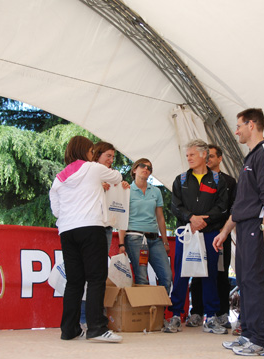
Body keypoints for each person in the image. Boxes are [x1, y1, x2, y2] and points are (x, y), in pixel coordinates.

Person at [214, 108, 264, 356]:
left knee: (255, 282)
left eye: (239, 125)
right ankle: (249, 335)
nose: (236, 131)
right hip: (243, 228)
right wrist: (224, 232)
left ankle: (262, 340)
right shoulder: (250, 158)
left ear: (251, 125)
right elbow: (241, 204)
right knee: (245, 281)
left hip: (256, 226)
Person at [49, 135, 123, 343]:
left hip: (66, 230)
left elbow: (56, 210)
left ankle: (69, 329)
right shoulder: (92, 168)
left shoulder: (59, 178)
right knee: (96, 278)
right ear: (86, 152)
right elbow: (116, 177)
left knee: (74, 282)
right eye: (91, 151)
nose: (93, 154)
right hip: (91, 226)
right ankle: (97, 328)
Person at [166, 139, 229, 335]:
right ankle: (176, 315)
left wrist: (204, 221)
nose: (189, 158)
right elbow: (174, 205)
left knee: (210, 273)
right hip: (186, 234)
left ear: (204, 155)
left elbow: (223, 207)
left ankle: (211, 317)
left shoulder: (219, 180)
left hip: (209, 234)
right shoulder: (181, 179)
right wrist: (191, 219)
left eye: (192, 154)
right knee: (181, 272)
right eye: (187, 155)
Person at [188, 144, 236, 328]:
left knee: (221, 274)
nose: (209, 159)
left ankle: (222, 313)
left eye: (212, 156)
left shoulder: (230, 182)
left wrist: (224, 231)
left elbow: (231, 209)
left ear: (220, 158)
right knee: (197, 274)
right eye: (206, 156)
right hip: (199, 234)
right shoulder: (194, 179)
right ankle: (197, 312)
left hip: (221, 234)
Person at [117, 158, 172, 293]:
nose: (146, 169)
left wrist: (165, 241)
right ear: (135, 169)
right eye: (143, 166)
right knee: (142, 278)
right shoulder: (126, 190)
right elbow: (121, 218)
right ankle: (145, 312)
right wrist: (121, 243)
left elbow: (160, 217)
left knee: (167, 276)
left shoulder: (156, 191)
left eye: (149, 168)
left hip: (154, 239)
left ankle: (159, 311)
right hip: (134, 238)